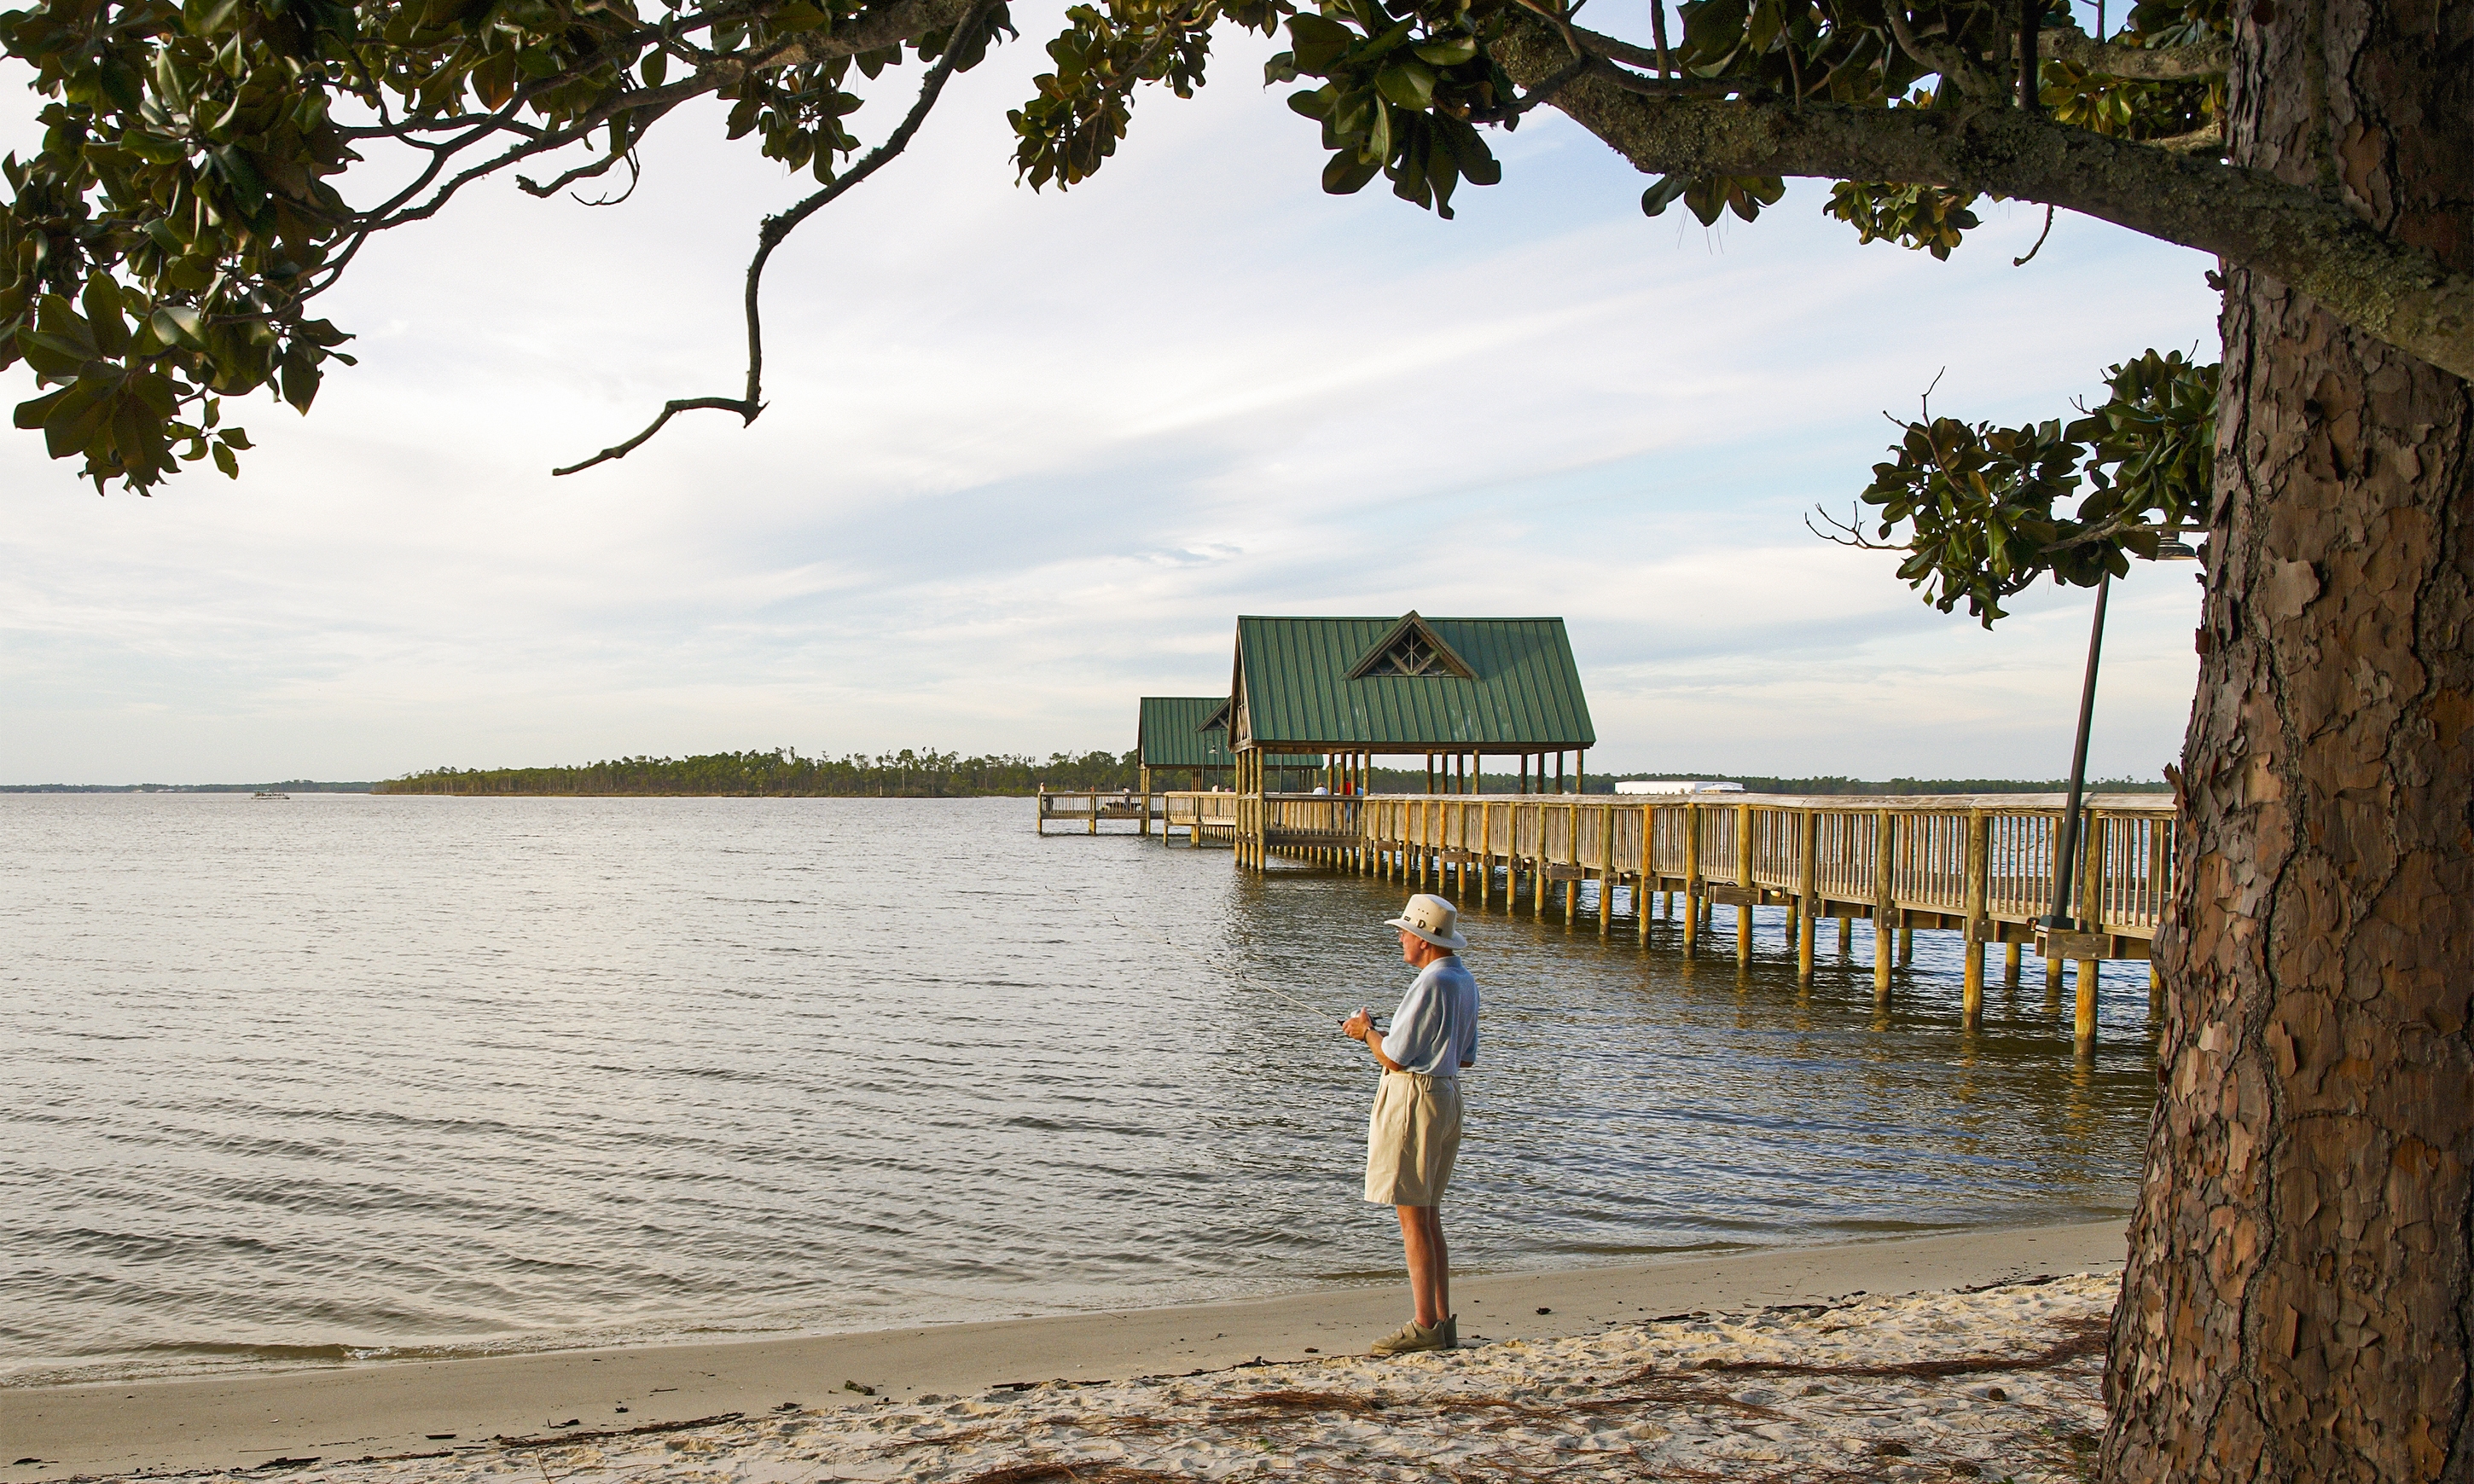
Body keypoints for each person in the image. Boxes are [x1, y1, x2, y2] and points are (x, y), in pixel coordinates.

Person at [1342, 891, 1479, 1356]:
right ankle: (1442, 1321)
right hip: (1446, 1095)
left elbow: (1396, 1059)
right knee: (1429, 1212)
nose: (1400, 938)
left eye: (1404, 932)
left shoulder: (1431, 983)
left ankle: (1424, 1325)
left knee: (1413, 1218)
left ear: (1424, 939)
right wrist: (1381, 1034)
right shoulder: (1463, 979)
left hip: (1415, 1100)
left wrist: (1366, 1032)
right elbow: (1463, 1057)